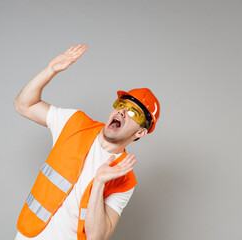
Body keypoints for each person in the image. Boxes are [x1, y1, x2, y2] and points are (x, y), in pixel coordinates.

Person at [13, 44, 160, 240]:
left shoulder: (125, 180)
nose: (122, 112)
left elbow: (97, 238)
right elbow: (23, 105)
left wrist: (99, 183)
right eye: (122, 104)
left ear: (141, 132)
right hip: (28, 235)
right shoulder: (74, 123)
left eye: (133, 112)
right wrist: (50, 70)